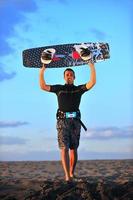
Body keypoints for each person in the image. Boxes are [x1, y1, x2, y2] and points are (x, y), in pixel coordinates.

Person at [39, 48, 96, 181]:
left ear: (74, 77)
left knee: (73, 149)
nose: (69, 76)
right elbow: (43, 86)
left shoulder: (79, 89)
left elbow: (92, 82)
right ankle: (67, 175)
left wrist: (91, 65)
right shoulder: (59, 88)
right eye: (67, 75)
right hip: (62, 121)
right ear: (64, 77)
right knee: (64, 148)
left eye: (71, 74)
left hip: (75, 121)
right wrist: (42, 72)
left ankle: (71, 172)